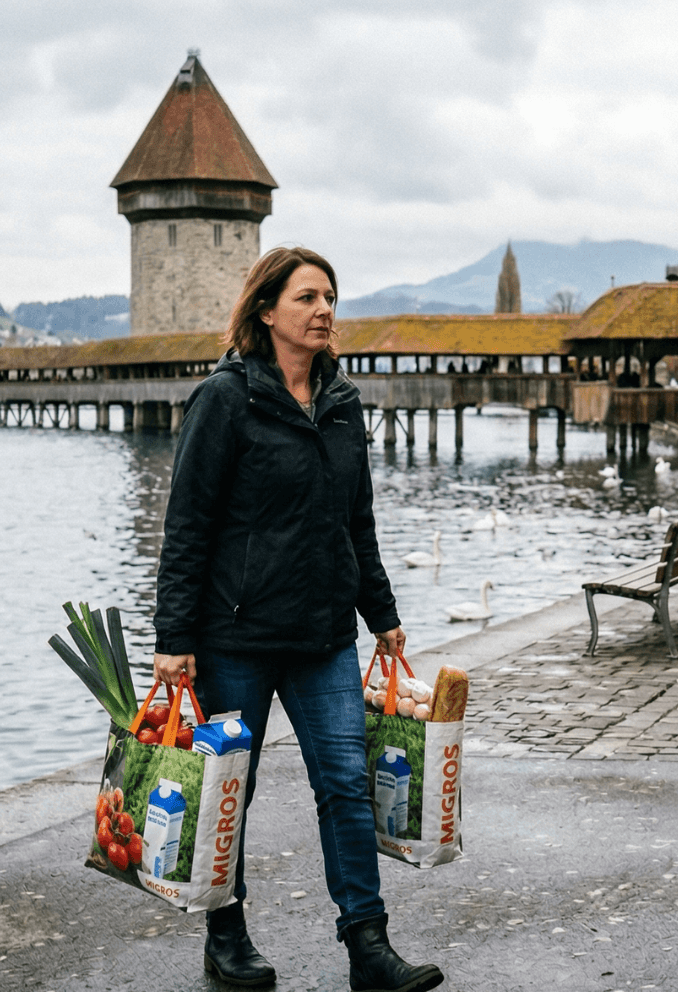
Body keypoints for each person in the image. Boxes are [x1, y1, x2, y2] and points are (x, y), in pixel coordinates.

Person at [152, 247, 444, 992]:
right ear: (266, 310)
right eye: (308, 297)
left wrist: (382, 612)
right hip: (236, 637)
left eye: (330, 298)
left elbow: (358, 519)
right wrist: (174, 640)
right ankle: (227, 937)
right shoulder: (226, 399)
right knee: (229, 789)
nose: (324, 311)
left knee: (346, 782)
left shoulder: (341, 404)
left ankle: (367, 945)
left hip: (322, 637)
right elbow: (188, 523)